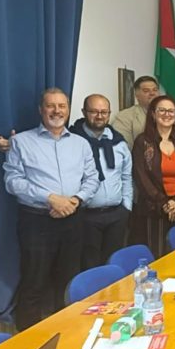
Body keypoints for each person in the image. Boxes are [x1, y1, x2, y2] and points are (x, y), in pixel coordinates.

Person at [2, 88, 99, 330]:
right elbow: (13, 181)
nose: (57, 111)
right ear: (41, 109)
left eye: (62, 106)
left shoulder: (81, 144)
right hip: (36, 221)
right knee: (34, 282)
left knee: (68, 281)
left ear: (69, 109)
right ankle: (29, 342)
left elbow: (92, 178)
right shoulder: (21, 142)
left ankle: (66, 334)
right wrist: (50, 198)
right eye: (51, 105)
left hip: (73, 219)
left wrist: (74, 201)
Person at [130, 95, 175, 258]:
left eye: (171, 111)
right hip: (153, 210)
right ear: (153, 114)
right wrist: (165, 203)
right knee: (157, 256)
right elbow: (141, 177)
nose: (166, 114)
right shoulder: (143, 142)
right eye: (162, 110)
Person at [69, 94, 132, 269]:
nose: (99, 116)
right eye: (94, 111)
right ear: (84, 112)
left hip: (116, 214)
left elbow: (126, 176)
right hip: (86, 215)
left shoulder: (119, 142)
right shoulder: (73, 141)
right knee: (88, 265)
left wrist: (126, 207)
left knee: (114, 264)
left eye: (104, 112)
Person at [111, 76, 159, 147]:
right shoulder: (124, 117)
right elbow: (123, 147)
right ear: (137, 95)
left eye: (155, 90)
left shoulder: (169, 113)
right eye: (146, 91)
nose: (152, 93)